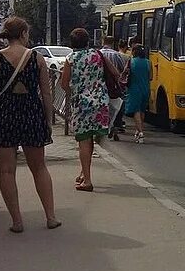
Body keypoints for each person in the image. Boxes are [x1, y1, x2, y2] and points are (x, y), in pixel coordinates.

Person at [0, 16, 59, 233]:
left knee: (6, 171)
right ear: (24, 34)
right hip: (31, 115)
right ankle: (51, 217)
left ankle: (17, 221)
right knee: (39, 168)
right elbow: (46, 92)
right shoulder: (38, 58)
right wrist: (47, 119)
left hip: (4, 116)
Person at [60, 28, 113, 192]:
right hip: (101, 102)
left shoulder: (71, 59)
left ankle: (87, 180)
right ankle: (84, 172)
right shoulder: (98, 55)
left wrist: (74, 93)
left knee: (84, 140)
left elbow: (63, 84)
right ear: (88, 41)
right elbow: (115, 73)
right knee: (92, 139)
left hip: (82, 105)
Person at [99, 36, 128, 141]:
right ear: (113, 43)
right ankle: (115, 127)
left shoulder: (98, 54)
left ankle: (104, 125)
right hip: (113, 86)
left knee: (104, 106)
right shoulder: (116, 55)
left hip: (101, 85)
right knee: (116, 106)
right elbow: (120, 70)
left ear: (103, 41)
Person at [125, 44, 152, 144]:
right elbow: (151, 77)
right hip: (146, 89)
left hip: (134, 89)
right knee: (142, 110)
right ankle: (139, 130)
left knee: (136, 110)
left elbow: (125, 73)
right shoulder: (148, 62)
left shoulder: (131, 61)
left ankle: (140, 132)